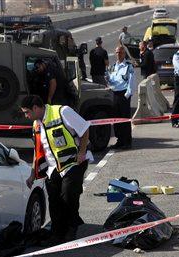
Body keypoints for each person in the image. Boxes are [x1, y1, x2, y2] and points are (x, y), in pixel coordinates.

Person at [22, 94, 92, 246]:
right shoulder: (36, 124)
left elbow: (85, 129)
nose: (26, 116)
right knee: (54, 200)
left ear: (35, 108)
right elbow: (38, 150)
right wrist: (32, 175)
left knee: (68, 195)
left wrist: (82, 152)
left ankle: (71, 228)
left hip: (73, 162)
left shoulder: (62, 111)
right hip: (54, 167)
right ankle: (57, 233)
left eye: (27, 112)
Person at [106, 46, 136, 149]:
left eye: (120, 52)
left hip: (124, 94)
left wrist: (127, 94)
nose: (118, 54)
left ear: (124, 54)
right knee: (116, 119)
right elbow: (112, 80)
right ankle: (120, 140)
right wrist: (108, 79)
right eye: (117, 52)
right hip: (115, 93)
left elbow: (131, 82)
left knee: (125, 119)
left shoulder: (128, 66)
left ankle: (127, 141)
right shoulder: (114, 66)